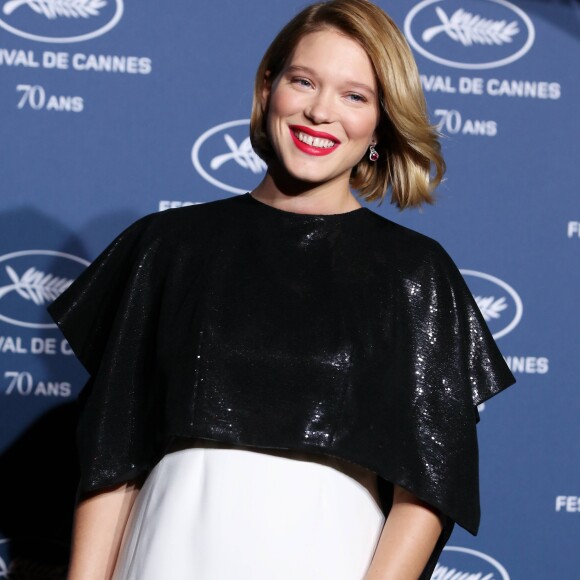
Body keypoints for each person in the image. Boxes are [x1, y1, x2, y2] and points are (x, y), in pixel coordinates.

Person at [48, 1, 515, 579]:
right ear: (268, 88)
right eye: (303, 81)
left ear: (380, 124)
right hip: (166, 552)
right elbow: (111, 456)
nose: (320, 112)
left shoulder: (415, 275)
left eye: (354, 96)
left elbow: (428, 489)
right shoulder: (166, 247)